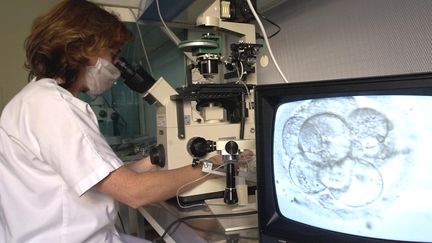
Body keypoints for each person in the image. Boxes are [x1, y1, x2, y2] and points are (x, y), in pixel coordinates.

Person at [0, 1, 220, 242]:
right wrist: (210, 167)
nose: (115, 65)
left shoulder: (34, 100)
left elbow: (99, 178)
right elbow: (134, 192)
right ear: (82, 48)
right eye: (113, 54)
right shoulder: (54, 106)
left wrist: (151, 161)